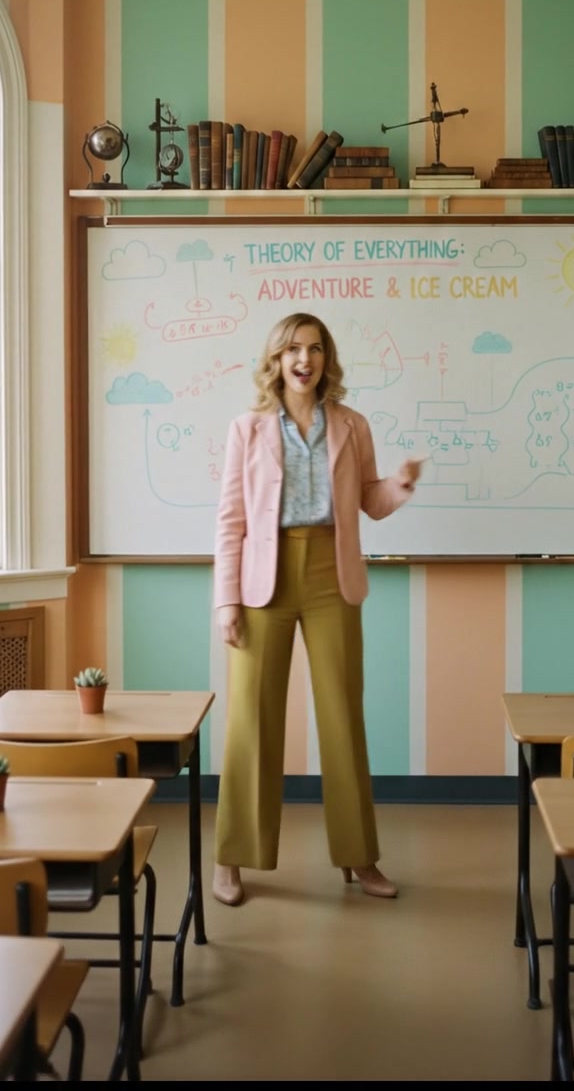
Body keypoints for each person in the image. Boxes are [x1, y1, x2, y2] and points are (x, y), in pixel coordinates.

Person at [212, 311, 424, 906]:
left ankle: (359, 856)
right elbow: (230, 521)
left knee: (342, 717)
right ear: (276, 360)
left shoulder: (351, 425)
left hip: (333, 574)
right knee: (251, 721)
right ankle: (232, 857)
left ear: (326, 359)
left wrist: (401, 485)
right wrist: (226, 599)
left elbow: (369, 501)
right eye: (292, 349)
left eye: (315, 349)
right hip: (264, 580)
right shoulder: (248, 428)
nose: (304, 359)